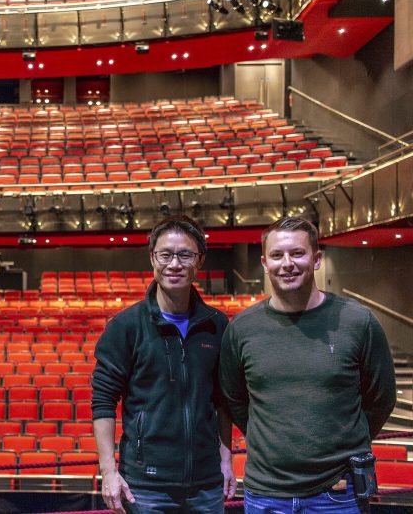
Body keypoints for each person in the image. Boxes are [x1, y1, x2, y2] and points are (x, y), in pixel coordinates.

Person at [219, 216, 397, 513]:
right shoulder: (242, 328)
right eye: (277, 255)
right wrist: (271, 440)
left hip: (338, 492)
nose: (287, 263)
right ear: (265, 262)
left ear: (316, 259)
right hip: (266, 492)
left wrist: (341, 440)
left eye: (297, 253)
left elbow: (381, 399)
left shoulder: (358, 321)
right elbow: (233, 397)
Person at [92, 215, 237, 514]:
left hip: (206, 485)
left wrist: (226, 460)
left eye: (185, 255)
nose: (175, 264)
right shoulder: (125, 326)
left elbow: (224, 401)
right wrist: (108, 471)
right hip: (145, 487)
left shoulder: (217, 325)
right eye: (166, 254)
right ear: (152, 258)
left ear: (200, 261)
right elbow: (104, 402)